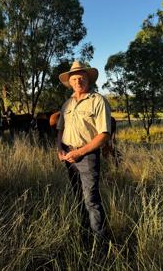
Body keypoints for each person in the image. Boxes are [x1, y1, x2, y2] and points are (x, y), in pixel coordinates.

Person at [56, 61, 111, 237]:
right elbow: (60, 129)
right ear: (69, 82)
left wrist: (79, 152)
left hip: (87, 156)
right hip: (68, 155)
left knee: (91, 200)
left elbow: (104, 135)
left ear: (88, 80)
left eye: (82, 78)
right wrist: (59, 148)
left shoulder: (98, 101)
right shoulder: (67, 104)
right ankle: (84, 232)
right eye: (74, 79)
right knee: (77, 196)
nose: (78, 81)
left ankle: (100, 240)